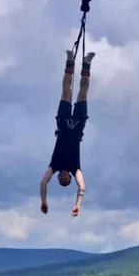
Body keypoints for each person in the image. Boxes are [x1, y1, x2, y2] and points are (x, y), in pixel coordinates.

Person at [40, 49, 95, 217]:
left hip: (63, 124)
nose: (63, 176)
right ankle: (87, 64)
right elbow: (82, 187)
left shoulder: (54, 165)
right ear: (69, 178)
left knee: (65, 91)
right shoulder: (75, 168)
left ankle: (69, 62)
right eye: (66, 179)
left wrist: (43, 201)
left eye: (61, 179)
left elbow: (43, 183)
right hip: (78, 125)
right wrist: (77, 204)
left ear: (57, 178)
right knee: (82, 92)